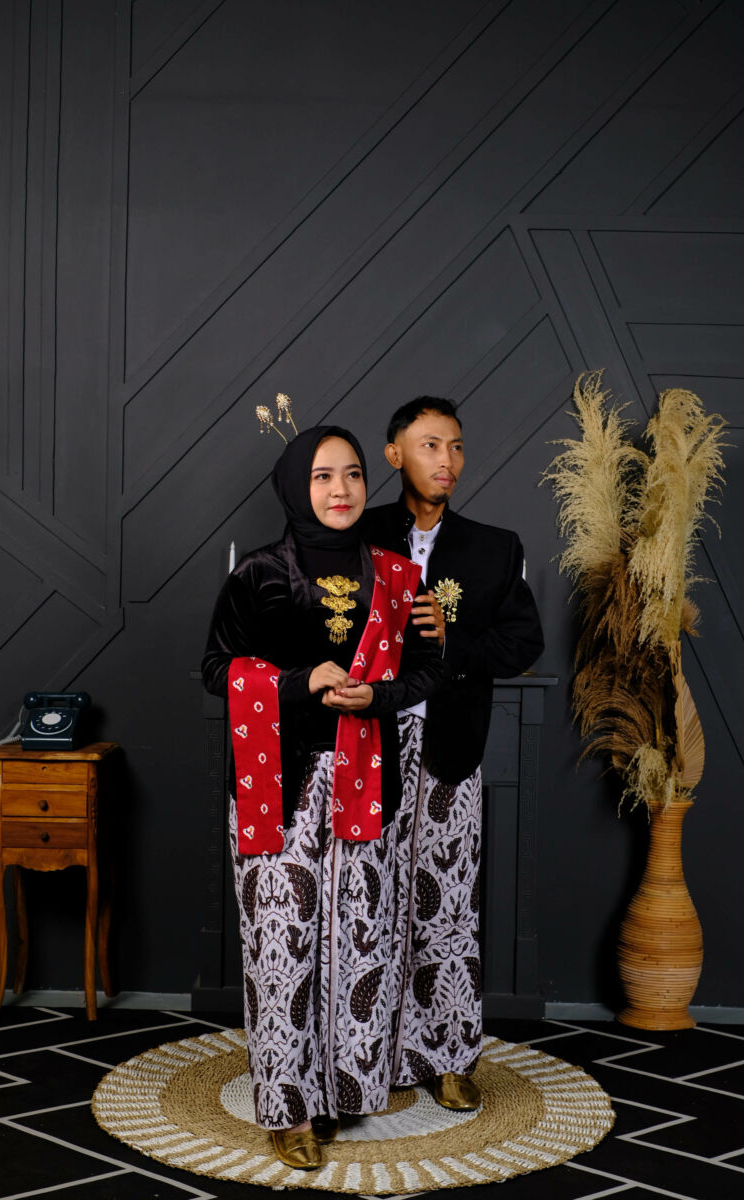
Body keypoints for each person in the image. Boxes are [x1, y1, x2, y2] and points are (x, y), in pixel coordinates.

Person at [201, 424, 443, 1170]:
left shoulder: (398, 577)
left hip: (367, 779)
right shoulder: (258, 575)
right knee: (282, 944)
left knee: (357, 941)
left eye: (353, 474)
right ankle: (289, 1107)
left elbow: (426, 671)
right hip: (281, 783)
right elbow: (216, 669)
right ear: (294, 486)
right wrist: (296, 682)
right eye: (322, 476)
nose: (341, 489)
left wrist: (378, 696)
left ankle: (341, 1089)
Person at [363, 396, 544, 1111]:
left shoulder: (495, 547)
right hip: (366, 746)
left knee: (445, 904)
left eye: (457, 446)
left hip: (450, 746)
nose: (448, 461)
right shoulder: (357, 533)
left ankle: (449, 1058)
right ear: (395, 454)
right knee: (367, 902)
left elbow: (524, 642)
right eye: (431, 445)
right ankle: (366, 1057)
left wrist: (454, 639)